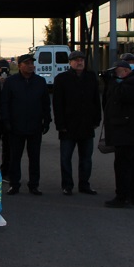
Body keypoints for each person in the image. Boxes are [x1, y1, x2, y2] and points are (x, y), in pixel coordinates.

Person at [0, 53, 51, 195]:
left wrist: (47, 120)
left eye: (31, 63)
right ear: (20, 65)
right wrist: (6, 121)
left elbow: (46, 103)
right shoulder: (11, 82)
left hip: (35, 126)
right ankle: (14, 184)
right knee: (15, 157)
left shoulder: (40, 82)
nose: (30, 66)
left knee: (34, 157)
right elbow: (5, 103)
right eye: (27, 63)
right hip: (16, 126)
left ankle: (34, 185)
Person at [52, 50, 101, 195]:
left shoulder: (91, 77)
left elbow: (95, 101)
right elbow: (57, 104)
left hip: (86, 125)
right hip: (68, 126)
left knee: (86, 159)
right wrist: (60, 124)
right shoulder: (62, 79)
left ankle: (84, 184)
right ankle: (67, 185)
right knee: (66, 158)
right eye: (76, 60)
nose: (79, 62)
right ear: (70, 62)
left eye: (82, 60)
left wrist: (96, 119)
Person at [103, 60, 134, 208]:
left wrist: (111, 82)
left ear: (124, 70)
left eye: (116, 72)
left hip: (128, 132)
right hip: (128, 131)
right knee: (131, 165)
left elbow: (121, 95)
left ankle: (123, 196)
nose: (115, 76)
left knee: (124, 165)